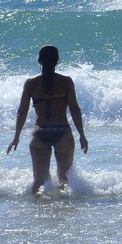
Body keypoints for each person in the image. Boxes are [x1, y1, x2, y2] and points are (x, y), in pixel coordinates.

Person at [7, 45, 88, 194]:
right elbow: (74, 109)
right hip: (62, 132)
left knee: (38, 181)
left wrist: (16, 136)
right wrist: (82, 135)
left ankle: (36, 212)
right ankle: (64, 213)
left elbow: (22, 111)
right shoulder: (66, 82)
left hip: (40, 133)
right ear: (57, 61)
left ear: (39, 60)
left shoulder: (31, 83)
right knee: (64, 179)